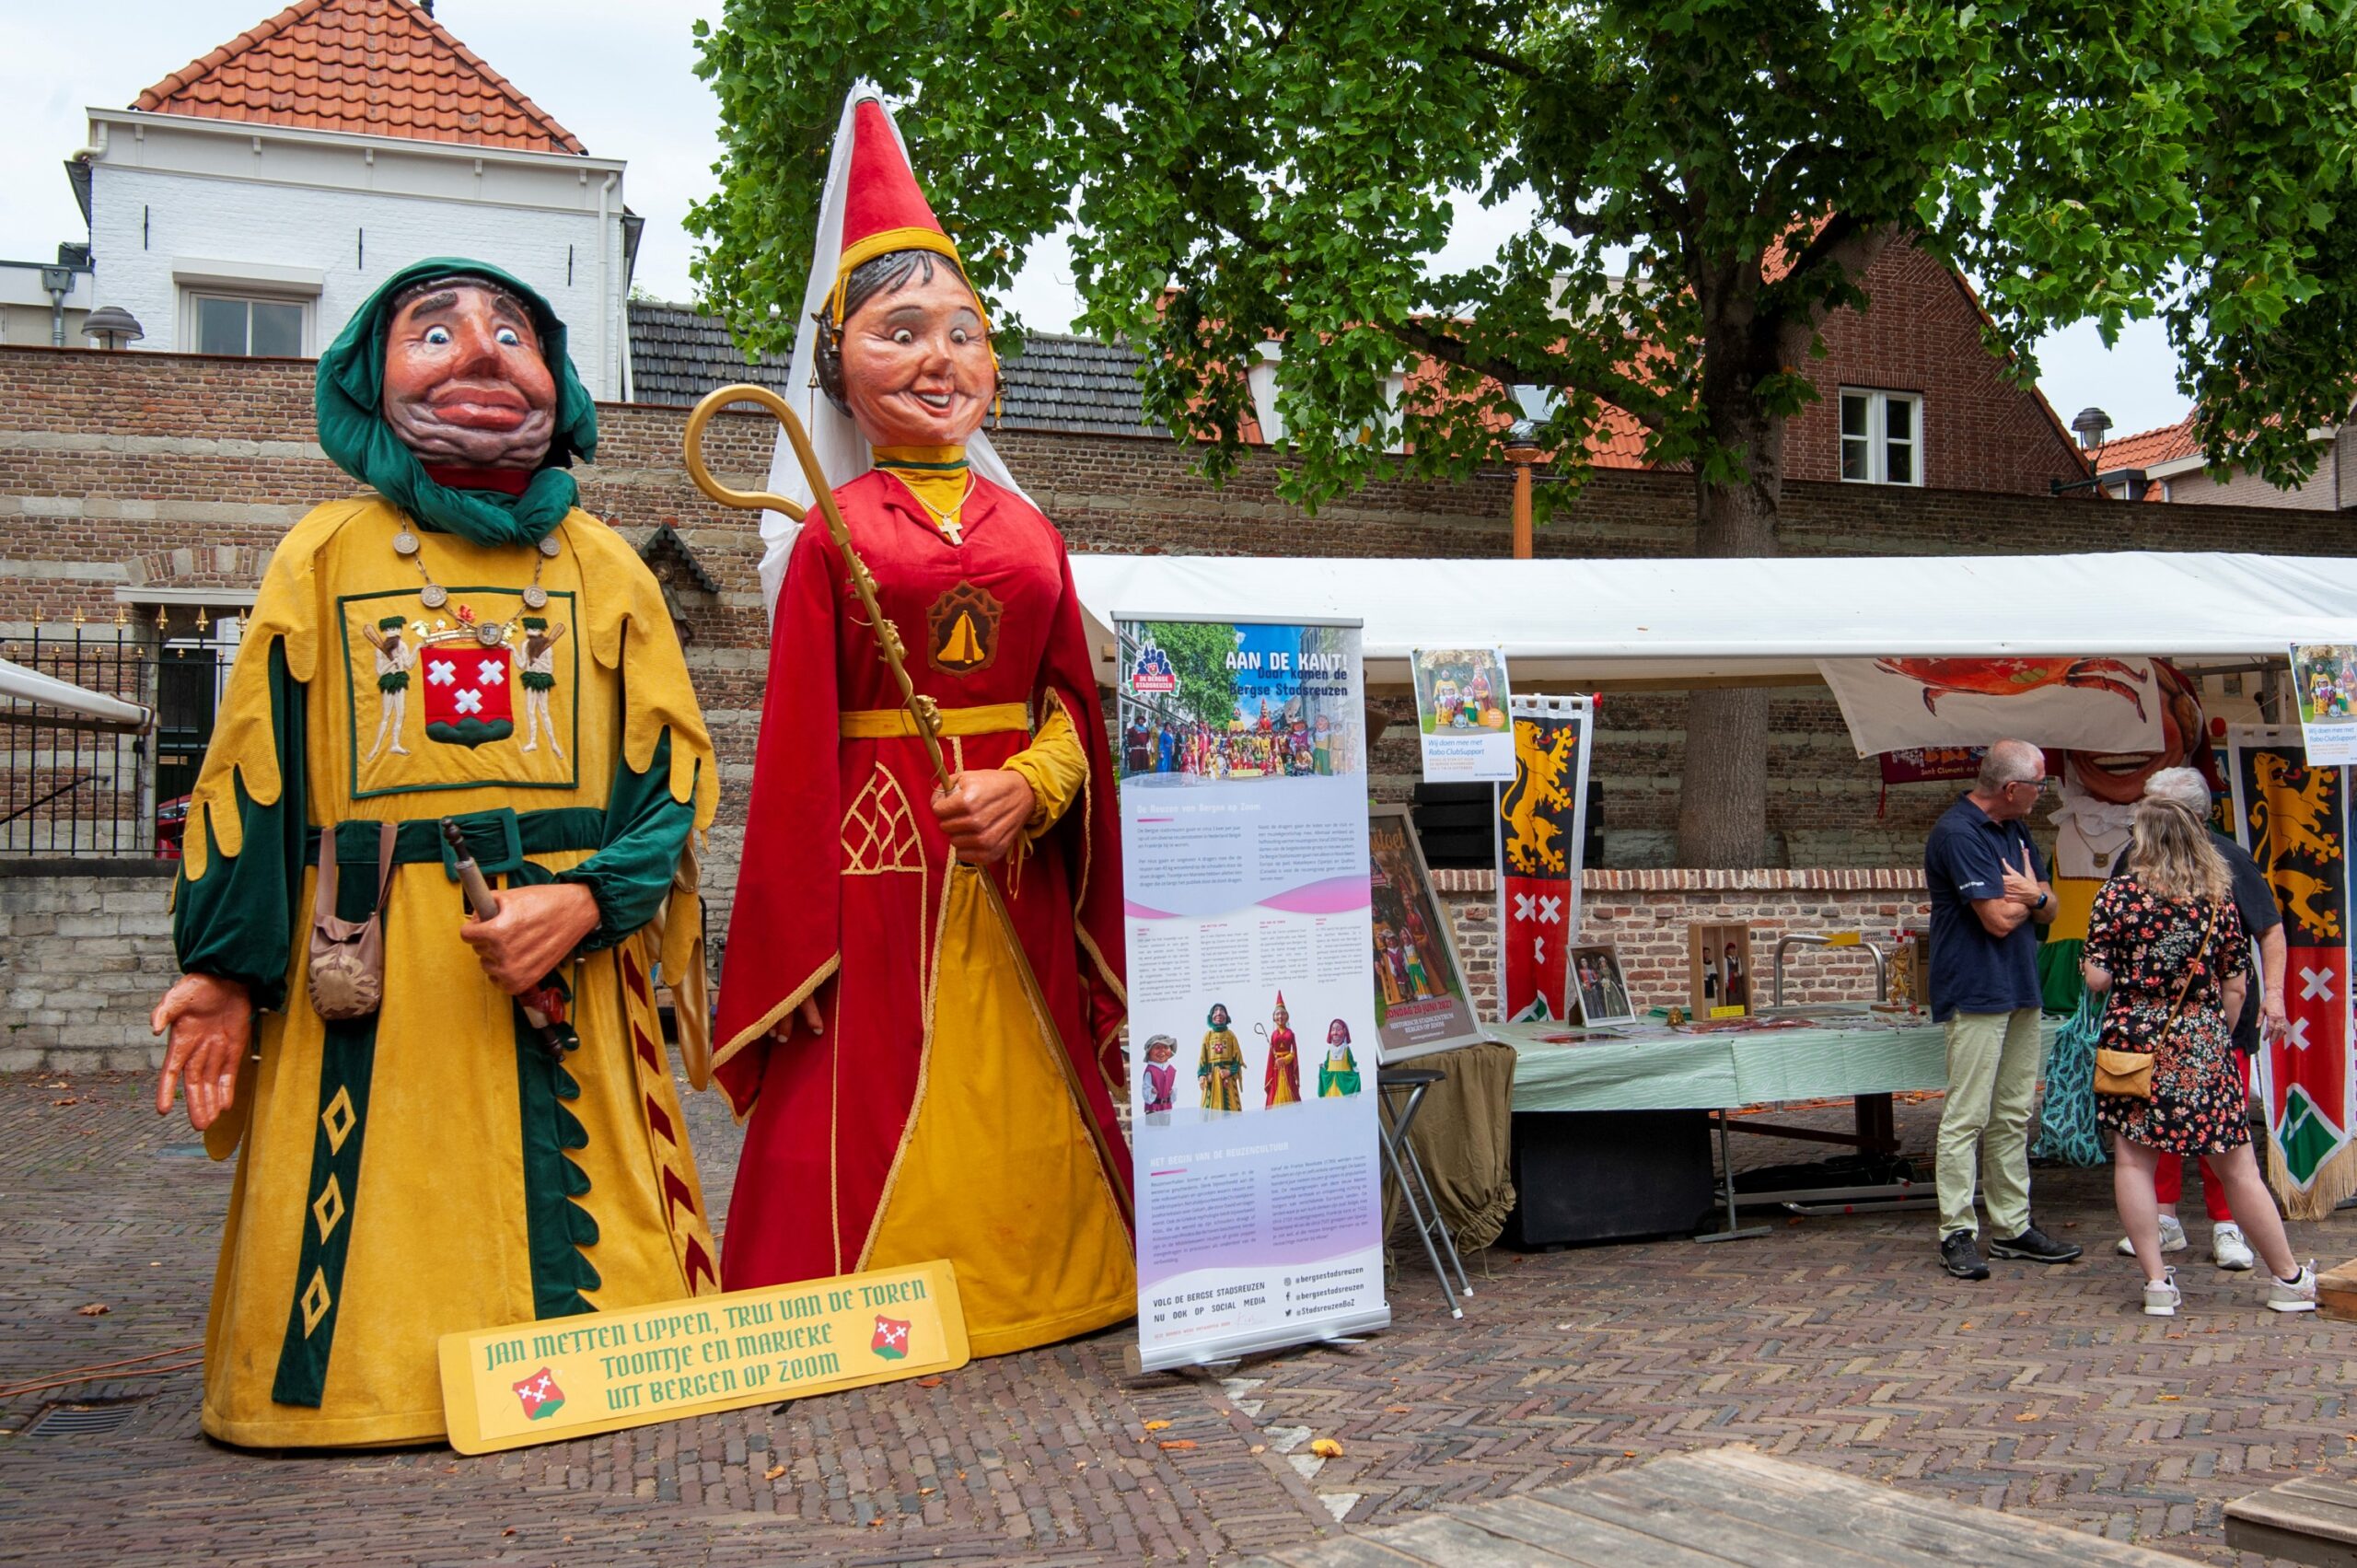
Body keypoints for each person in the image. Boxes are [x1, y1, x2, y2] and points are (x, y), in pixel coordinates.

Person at [148, 259, 721, 1447]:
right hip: (375, 989)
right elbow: (254, 783)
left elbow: (670, 785)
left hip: (568, 976)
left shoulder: (608, 572)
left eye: (513, 331)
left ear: (557, 380)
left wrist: (587, 898)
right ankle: (360, 1381)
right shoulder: (321, 561)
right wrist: (220, 967)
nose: (480, 350)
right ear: (370, 374)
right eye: (437, 329)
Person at [714, 99, 1132, 1360]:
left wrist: (1037, 784)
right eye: (901, 333)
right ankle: (860, 1290)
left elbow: (1072, 706)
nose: (939, 358)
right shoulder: (828, 536)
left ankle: (1059, 1270)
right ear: (842, 361)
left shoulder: (1033, 533)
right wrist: (802, 915)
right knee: (873, 1064)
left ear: (994, 366)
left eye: (964, 333)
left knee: (1028, 1061)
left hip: (1010, 855)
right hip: (875, 857)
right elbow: (793, 747)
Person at [2083, 796, 2316, 1315]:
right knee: (2237, 1165)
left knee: (2133, 1160)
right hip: (2200, 1039)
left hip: (2132, 1040)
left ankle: (2158, 1285)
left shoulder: (2115, 896)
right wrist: (2212, 1032)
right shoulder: (2215, 900)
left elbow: (2098, 977)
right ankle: (2289, 1278)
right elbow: (2236, 985)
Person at [2107, 768, 2286, 1271]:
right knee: (2149, 1125)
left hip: (2219, 1019)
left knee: (2223, 1131)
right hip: (2151, 1024)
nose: (2140, 813)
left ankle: (2227, 1224)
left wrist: (2273, 997)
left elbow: (2269, 931)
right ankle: (2164, 1218)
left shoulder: (2230, 860)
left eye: (2151, 804)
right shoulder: (2131, 861)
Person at [1925, 739, 2082, 1279]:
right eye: (2039, 785)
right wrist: (2026, 898)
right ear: (2012, 788)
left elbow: (2050, 907)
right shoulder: (1957, 832)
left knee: (2014, 1112)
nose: (2044, 794)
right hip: (1976, 989)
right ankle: (1957, 1232)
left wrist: (2034, 897)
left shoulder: (2015, 828)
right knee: (1967, 1115)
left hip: (2020, 986)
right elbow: (1994, 918)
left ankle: (2013, 1228)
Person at [1199, 1004, 1246, 1112]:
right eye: (1215, 1011)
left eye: (1222, 1011)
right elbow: (1202, 1060)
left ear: (1226, 1016)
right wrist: (1201, 1075)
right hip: (1211, 1081)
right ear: (1211, 1016)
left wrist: (1229, 1072)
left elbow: (1238, 1060)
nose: (1219, 1013)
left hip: (1227, 1081)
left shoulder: (1230, 1035)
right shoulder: (1207, 1036)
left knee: (1232, 1111)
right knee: (1210, 1112)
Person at [1263, 994, 1301, 1107]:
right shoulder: (1273, 1034)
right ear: (1274, 1017)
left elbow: (1294, 1052)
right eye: (1277, 1014)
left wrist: (1284, 1060)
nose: (1280, 1016)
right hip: (1276, 1069)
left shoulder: (1290, 1033)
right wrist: (1275, 1062)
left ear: (1287, 1016)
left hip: (1287, 1067)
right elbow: (1271, 1054)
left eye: (1283, 1013)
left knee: (1290, 1089)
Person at [1318, 1020, 1363, 1098]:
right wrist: (1323, 1067)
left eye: (1338, 1029)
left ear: (1344, 1031)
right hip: (1332, 1082)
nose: (1335, 1033)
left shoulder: (1346, 1050)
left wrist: (1355, 1070)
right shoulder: (1330, 1050)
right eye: (1333, 1030)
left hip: (1343, 1082)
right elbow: (1327, 1063)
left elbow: (1351, 1062)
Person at [1141, 1035, 1178, 1117]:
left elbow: (1174, 1086)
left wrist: (1173, 1092)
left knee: (1166, 1127)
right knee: (1153, 1128)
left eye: (1166, 1047)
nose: (1162, 1051)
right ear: (1149, 1052)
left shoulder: (1171, 1070)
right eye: (1157, 1048)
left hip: (1166, 1107)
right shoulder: (1150, 1070)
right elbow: (1146, 1087)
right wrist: (1151, 1091)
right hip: (1153, 1108)